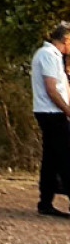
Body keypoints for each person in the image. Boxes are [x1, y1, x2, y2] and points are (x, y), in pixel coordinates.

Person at [34, 23, 70, 217]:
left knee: (52, 157)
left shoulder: (54, 56)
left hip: (52, 111)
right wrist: (67, 110)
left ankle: (45, 201)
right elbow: (51, 88)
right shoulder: (48, 55)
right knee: (65, 157)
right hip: (51, 112)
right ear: (66, 39)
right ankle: (48, 199)